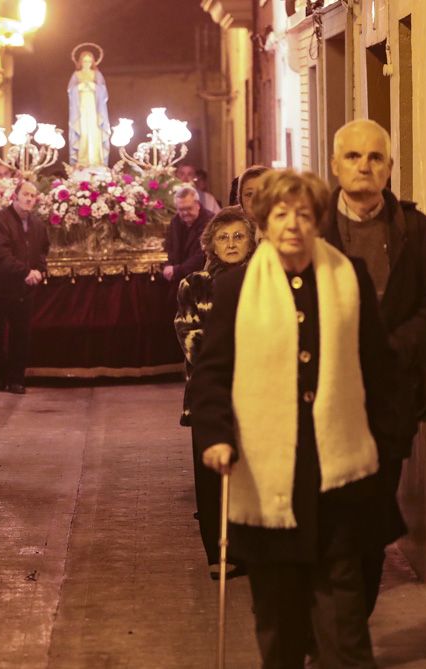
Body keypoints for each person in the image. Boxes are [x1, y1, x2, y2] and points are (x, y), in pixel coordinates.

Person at [189, 169, 403, 668]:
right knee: (281, 636)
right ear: (263, 222)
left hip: (339, 485)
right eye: (280, 214)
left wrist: (388, 447)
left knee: (345, 638)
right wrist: (218, 436)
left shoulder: (348, 276)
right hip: (270, 487)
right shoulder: (239, 287)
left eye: (303, 215)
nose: (292, 225)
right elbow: (212, 375)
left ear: (318, 221)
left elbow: (381, 370)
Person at [324, 118, 426, 616]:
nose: (365, 166)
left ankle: (352, 629)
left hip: (387, 403)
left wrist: (392, 347)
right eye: (354, 156)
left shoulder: (417, 232)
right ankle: (326, 627)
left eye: (375, 157)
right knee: (322, 517)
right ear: (335, 165)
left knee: (369, 520)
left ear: (389, 168)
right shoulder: (309, 227)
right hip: (317, 402)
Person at [174, 206, 256, 579]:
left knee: (252, 475)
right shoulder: (195, 285)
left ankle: (253, 547)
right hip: (211, 396)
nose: (232, 243)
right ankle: (220, 553)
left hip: (259, 396)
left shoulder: (266, 281)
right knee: (213, 478)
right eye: (223, 237)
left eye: (239, 235)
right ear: (211, 244)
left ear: (252, 240)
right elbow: (192, 339)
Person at [0, 180, 49, 394]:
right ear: (15, 196)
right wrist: (25, 272)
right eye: (25, 194)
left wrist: (39, 270)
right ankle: (1, 372)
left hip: (22, 290)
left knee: (21, 334)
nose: (29, 199)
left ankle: (16, 379)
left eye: (32, 196)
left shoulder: (37, 224)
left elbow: (42, 251)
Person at [67, 42, 111, 167]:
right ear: (80, 62)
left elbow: (103, 90)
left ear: (93, 62)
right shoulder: (77, 75)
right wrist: (80, 87)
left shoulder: (96, 74)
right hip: (81, 107)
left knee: (94, 131)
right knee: (84, 131)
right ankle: (83, 159)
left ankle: (96, 160)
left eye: (89, 61)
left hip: (94, 107)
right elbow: (71, 90)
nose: (87, 63)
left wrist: (92, 86)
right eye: (84, 61)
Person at [162, 185, 210, 284]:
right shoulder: (175, 221)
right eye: (181, 209)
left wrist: (176, 270)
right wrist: (167, 266)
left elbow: (202, 256)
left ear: (197, 205)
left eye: (188, 208)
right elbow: (168, 247)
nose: (185, 213)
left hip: (201, 279)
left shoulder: (210, 222)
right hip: (178, 278)